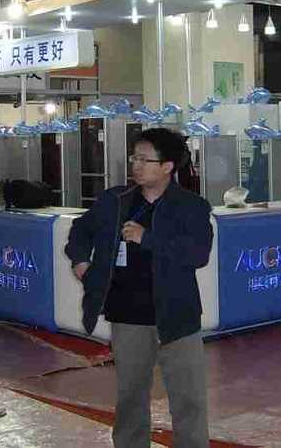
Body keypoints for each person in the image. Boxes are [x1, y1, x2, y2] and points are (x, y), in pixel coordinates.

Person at [65, 127, 213, 448]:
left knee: (188, 401)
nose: (136, 165)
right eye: (134, 158)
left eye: (145, 160)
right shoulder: (115, 201)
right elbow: (81, 229)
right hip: (128, 316)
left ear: (168, 166)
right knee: (131, 398)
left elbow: (198, 254)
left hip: (177, 317)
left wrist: (147, 238)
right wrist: (80, 261)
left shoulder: (192, 207)